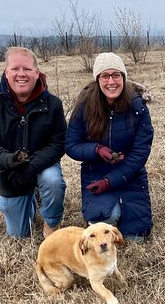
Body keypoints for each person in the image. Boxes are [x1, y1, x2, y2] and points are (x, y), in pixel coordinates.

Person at [0, 47, 67, 238]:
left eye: (27, 69)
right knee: (18, 233)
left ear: (36, 72)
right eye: (15, 69)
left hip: (42, 165)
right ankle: (31, 198)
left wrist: (31, 167)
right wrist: (8, 160)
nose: (21, 74)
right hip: (10, 171)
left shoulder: (53, 104)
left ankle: (52, 224)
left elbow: (58, 143)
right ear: (6, 72)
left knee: (53, 181)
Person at [65, 52, 154, 242]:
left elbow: (140, 154)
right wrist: (96, 150)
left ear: (123, 77)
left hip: (130, 175)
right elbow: (71, 145)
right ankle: (112, 214)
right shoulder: (84, 106)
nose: (111, 81)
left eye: (116, 75)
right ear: (97, 79)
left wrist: (110, 181)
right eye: (105, 76)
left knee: (137, 236)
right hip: (96, 174)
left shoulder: (138, 108)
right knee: (106, 217)